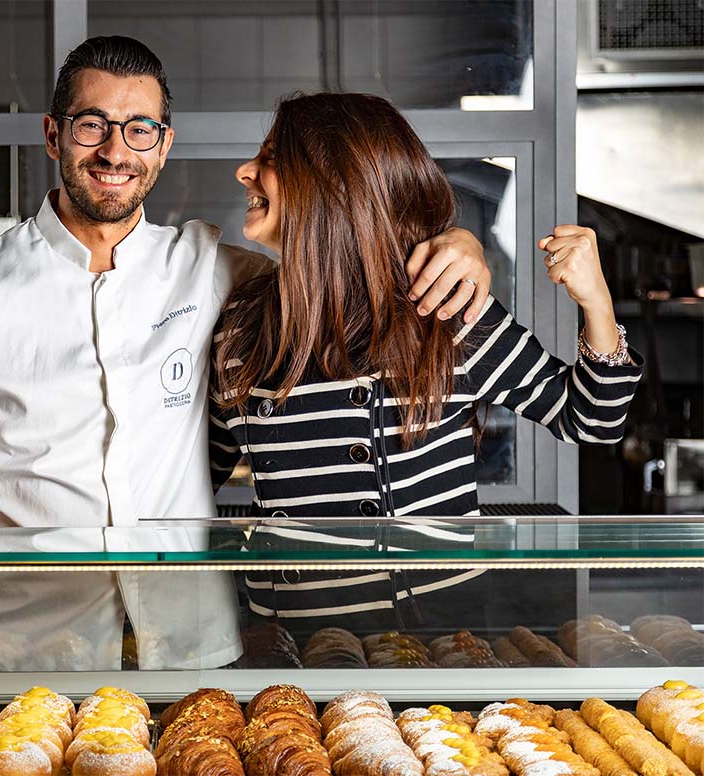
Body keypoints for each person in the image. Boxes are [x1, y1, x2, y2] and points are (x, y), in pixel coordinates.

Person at [0, 37, 493, 669]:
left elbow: (346, 254)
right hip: (31, 646)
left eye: (139, 130)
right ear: (54, 136)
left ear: (164, 146)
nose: (116, 152)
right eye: (93, 127)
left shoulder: (215, 269)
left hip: (191, 645)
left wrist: (456, 240)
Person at [209, 92, 643, 638]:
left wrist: (597, 301)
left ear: (334, 183)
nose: (245, 170)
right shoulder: (241, 329)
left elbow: (591, 419)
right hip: (301, 649)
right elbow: (199, 470)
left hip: (444, 644)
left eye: (273, 157)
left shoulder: (443, 306)